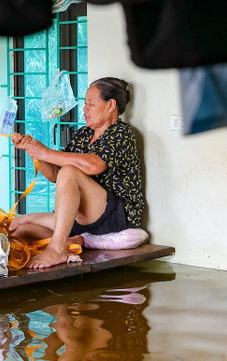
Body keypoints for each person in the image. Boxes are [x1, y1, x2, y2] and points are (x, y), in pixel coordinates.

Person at [9, 77, 145, 269]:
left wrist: (46, 152)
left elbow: (94, 166)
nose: (84, 109)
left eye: (91, 104)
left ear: (110, 105)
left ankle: (57, 249)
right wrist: (34, 150)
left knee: (70, 171)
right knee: (18, 226)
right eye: (84, 104)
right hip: (84, 216)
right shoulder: (84, 134)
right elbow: (55, 175)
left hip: (116, 214)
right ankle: (72, 241)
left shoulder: (121, 133)